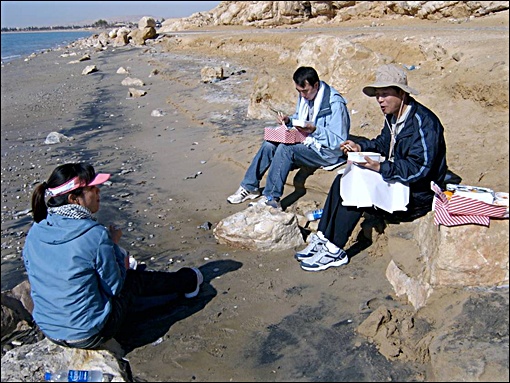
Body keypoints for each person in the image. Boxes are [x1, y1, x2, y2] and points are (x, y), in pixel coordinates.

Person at [22, 162, 204, 349]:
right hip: (88, 334)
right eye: (92, 188)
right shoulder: (94, 234)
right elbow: (114, 287)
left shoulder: (36, 231)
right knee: (132, 280)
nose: (99, 192)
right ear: (74, 199)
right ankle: (189, 280)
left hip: (50, 330)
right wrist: (114, 246)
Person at [295, 64, 447, 272]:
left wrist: (380, 167)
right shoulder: (395, 116)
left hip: (417, 195)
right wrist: (360, 146)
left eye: (385, 94)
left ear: (401, 93)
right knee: (343, 177)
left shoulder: (424, 124)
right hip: (401, 180)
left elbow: (420, 170)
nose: (380, 100)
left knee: (359, 186)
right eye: (377, 95)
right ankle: (323, 237)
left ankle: (335, 248)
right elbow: (383, 143)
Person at [227, 66, 350, 209]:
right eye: (299, 91)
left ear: (316, 85)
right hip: (306, 141)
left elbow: (339, 142)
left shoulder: (335, 104)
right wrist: (289, 121)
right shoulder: (306, 95)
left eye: (305, 91)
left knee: (286, 149)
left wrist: (314, 130)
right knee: (269, 144)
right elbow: (300, 118)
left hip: (324, 152)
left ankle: (271, 198)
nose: (302, 95)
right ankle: (249, 187)